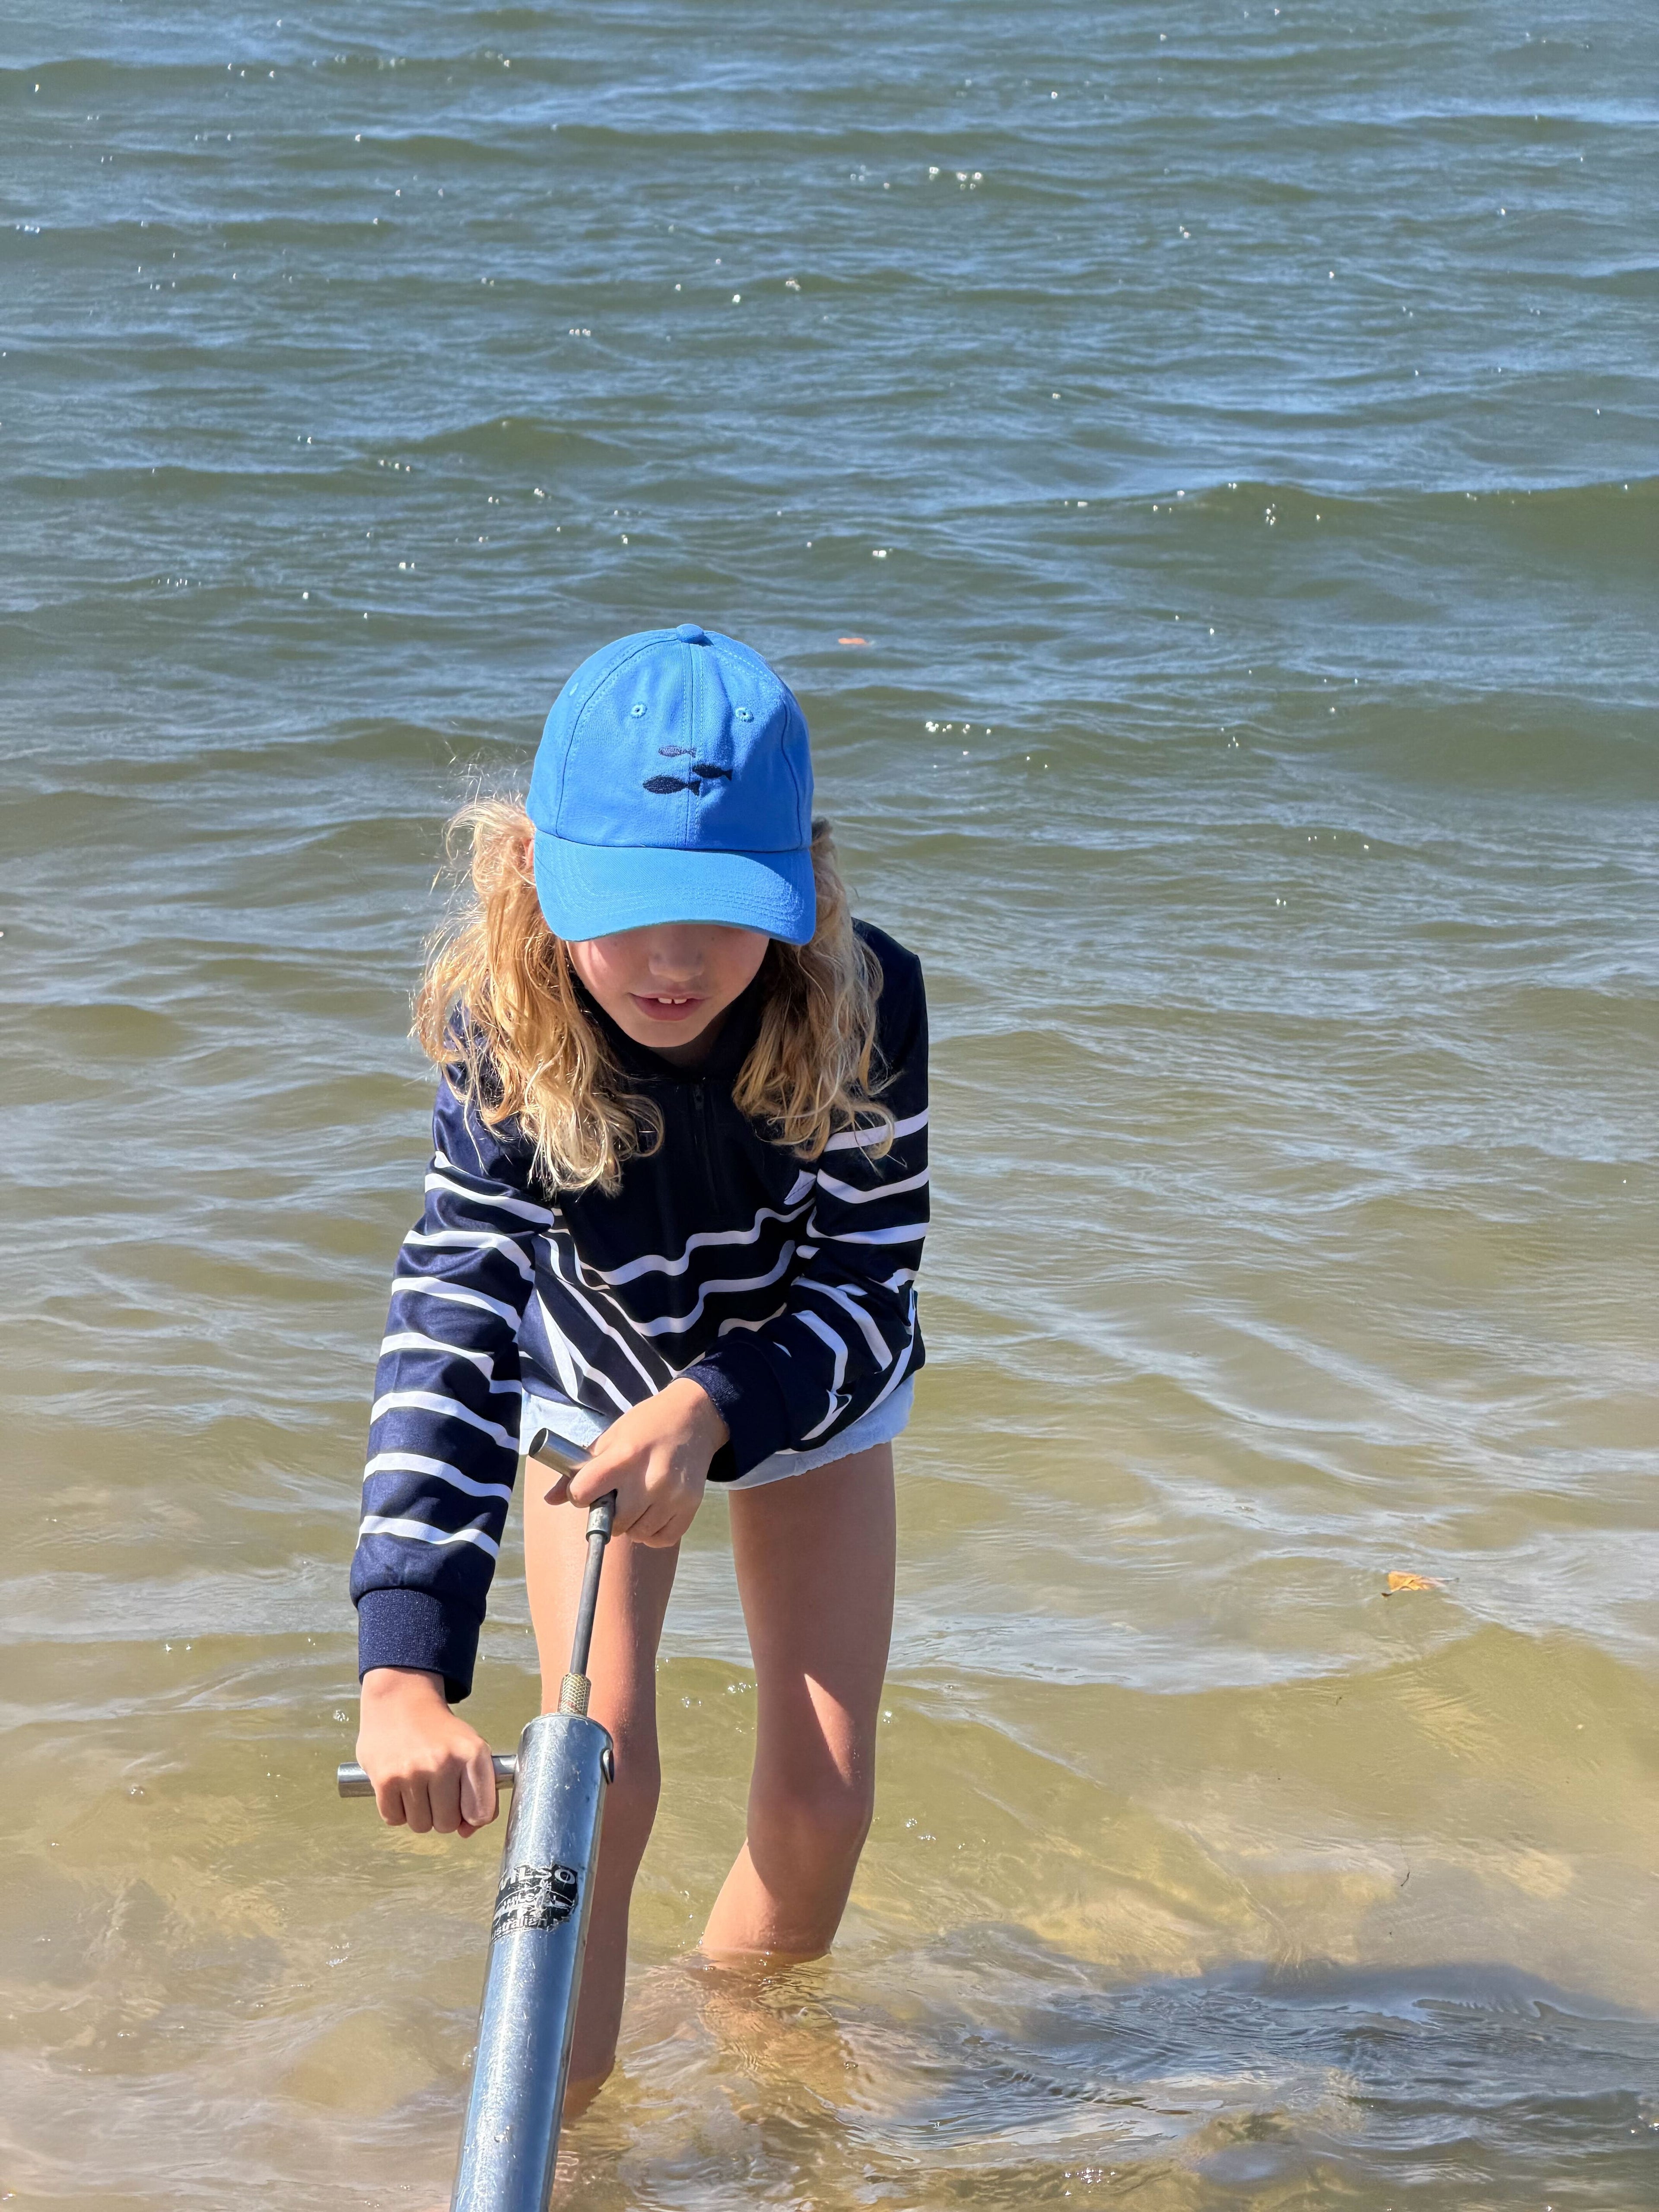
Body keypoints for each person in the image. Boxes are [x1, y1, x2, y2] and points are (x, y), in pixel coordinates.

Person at [349, 622, 928, 2103]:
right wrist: (403, 1671)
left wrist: (724, 1405)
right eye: (628, 910)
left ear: (804, 876)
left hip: (795, 1374)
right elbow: (455, 1318)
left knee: (822, 1806)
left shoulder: (867, 999)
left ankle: (730, 2056)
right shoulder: (505, 1022)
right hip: (598, 1388)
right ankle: (572, 2141)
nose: (674, 964)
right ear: (535, 866)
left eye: (723, 915)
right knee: (594, 1780)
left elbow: (871, 1281)